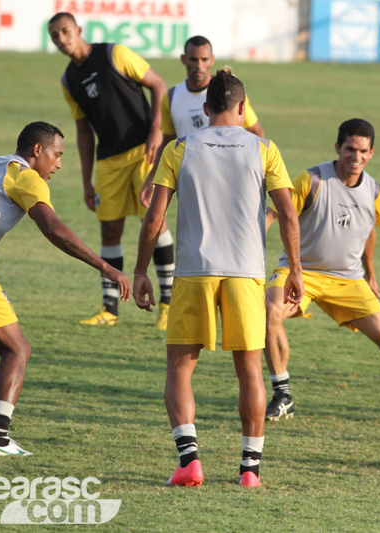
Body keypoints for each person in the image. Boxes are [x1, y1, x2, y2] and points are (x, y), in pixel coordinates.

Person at [132, 68, 303, 487]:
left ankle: (189, 461)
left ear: (205, 109)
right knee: (249, 371)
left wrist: (139, 270)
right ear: (243, 109)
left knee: (180, 367)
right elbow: (288, 214)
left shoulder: (180, 147)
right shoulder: (265, 148)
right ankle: (250, 470)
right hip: (245, 273)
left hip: (193, 270)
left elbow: (155, 217)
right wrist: (295, 269)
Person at [0, 122, 131, 455]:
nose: (59, 164)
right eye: (57, 154)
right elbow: (53, 229)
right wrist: (107, 268)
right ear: (38, 150)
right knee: (17, 350)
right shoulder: (26, 177)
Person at [263, 118, 380, 427]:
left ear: (372, 152)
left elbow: (369, 231)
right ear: (338, 148)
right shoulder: (312, 180)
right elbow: (280, 212)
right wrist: (261, 229)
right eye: (350, 149)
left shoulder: (375, 190)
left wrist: (370, 274)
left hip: (349, 279)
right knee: (270, 312)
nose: (356, 157)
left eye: (363, 151)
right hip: (302, 272)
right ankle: (283, 394)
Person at [48, 12, 174, 329]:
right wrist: (87, 181)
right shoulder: (68, 80)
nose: (61, 39)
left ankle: (169, 306)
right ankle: (110, 309)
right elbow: (83, 131)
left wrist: (157, 131)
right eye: (55, 36)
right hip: (108, 162)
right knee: (109, 231)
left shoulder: (113, 54)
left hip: (142, 152)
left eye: (65, 32)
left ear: (78, 30)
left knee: (155, 221)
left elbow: (158, 84)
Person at [138, 35, 265, 208]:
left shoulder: (229, 92)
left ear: (212, 60)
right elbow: (168, 142)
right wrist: (151, 179)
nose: (199, 65)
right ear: (183, 59)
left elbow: (255, 132)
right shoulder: (172, 97)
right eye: (193, 59)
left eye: (204, 59)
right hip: (192, 180)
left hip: (229, 175)